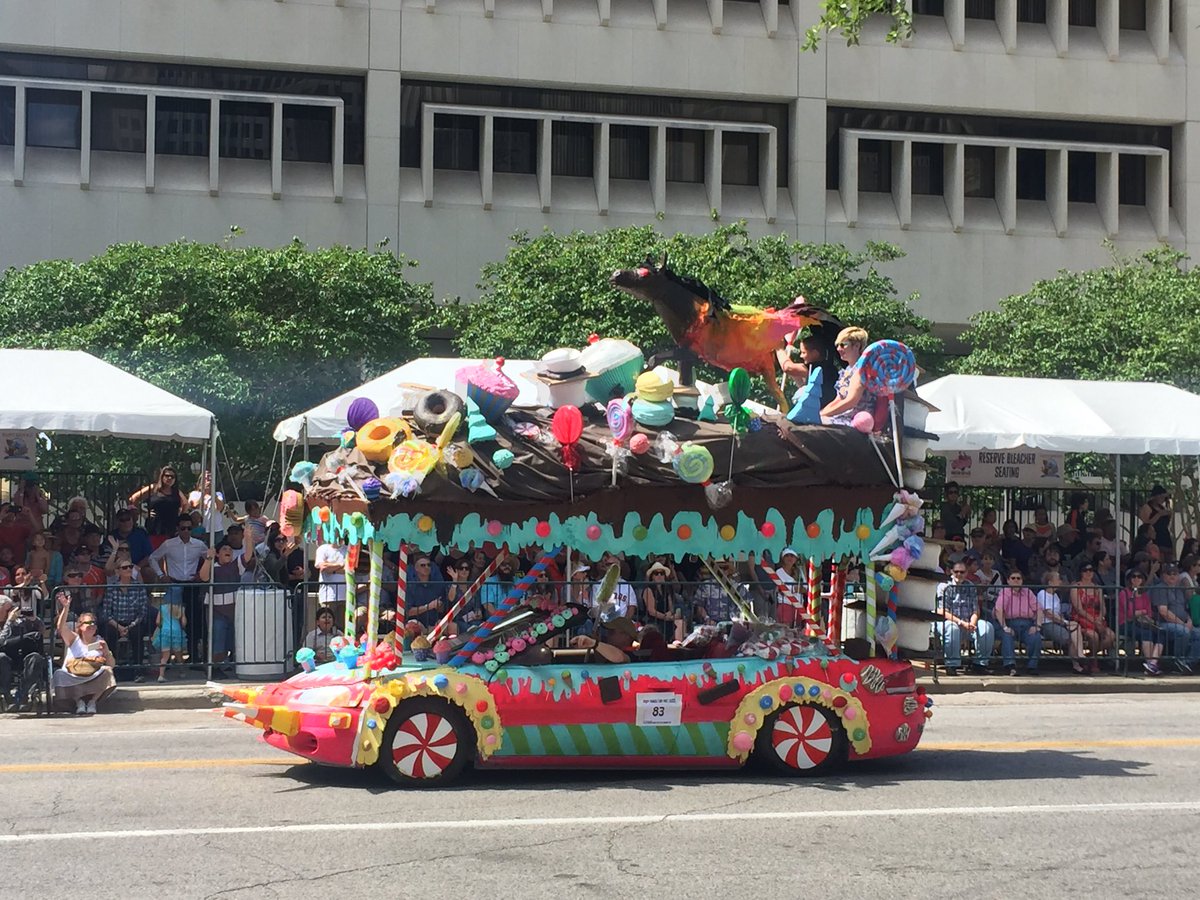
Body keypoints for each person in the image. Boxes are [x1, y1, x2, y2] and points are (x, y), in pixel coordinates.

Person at [52, 593, 116, 715]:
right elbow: (60, 627)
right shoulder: (73, 639)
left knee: (107, 670)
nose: (91, 625)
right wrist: (66, 608)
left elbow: (112, 664)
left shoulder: (99, 640)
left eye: (93, 623)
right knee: (59, 673)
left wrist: (106, 652)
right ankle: (79, 702)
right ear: (80, 626)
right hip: (73, 674)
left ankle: (92, 701)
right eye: (87, 623)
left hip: (92, 673)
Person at [937, 560, 995, 674]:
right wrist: (962, 623)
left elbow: (975, 609)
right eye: (956, 571)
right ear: (952, 572)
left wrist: (972, 623)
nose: (959, 574)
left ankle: (980, 664)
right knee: (951, 628)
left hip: (968, 621)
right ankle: (952, 665)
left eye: (962, 572)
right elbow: (942, 611)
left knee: (987, 627)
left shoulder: (970, 586)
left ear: (966, 573)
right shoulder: (944, 586)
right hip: (949, 621)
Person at [100, 557, 150, 682]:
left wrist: (130, 626)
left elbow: (143, 611)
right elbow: (106, 611)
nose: (128, 569)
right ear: (118, 571)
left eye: (130, 567)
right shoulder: (111, 587)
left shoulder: (139, 586)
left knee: (137, 634)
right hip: (115, 622)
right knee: (109, 634)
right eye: (124, 567)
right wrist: (119, 626)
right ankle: (111, 671)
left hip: (133, 622)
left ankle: (138, 671)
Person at [819, 326, 873, 426]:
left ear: (856, 346)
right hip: (842, 416)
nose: (839, 349)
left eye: (843, 345)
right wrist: (819, 413)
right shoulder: (847, 371)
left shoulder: (861, 369)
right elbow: (838, 400)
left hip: (855, 420)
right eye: (837, 345)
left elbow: (851, 402)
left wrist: (821, 415)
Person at [1152, 562, 1200, 673]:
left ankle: (1187, 663)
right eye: (1169, 573)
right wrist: (1182, 624)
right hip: (1163, 624)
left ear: (1178, 575)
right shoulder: (1160, 588)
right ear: (1164, 575)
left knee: (1198, 633)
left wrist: (1189, 620)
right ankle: (1178, 661)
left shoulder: (1180, 589)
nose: (1172, 576)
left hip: (1182, 622)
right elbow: (1163, 612)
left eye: (1175, 573)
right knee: (1183, 632)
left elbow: (1185, 609)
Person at [0, 594, 46, 710]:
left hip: (24, 655)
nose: (12, 611)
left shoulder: (20, 621)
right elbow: (1, 641)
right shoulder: (10, 622)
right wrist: (9, 622)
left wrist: (34, 619)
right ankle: (7, 696)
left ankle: (23, 694)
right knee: (1, 657)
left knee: (36, 658)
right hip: (7, 657)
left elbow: (42, 630)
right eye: (8, 609)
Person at [994, 570, 1043, 676]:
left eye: (1018, 578)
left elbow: (1039, 609)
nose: (1016, 581)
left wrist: (1037, 626)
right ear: (1008, 581)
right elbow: (999, 609)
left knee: (1036, 637)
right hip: (1010, 623)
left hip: (1027, 624)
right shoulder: (1004, 592)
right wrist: (1005, 626)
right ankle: (1010, 666)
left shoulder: (1028, 592)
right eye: (1013, 578)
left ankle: (1032, 666)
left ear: (1022, 581)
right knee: (1006, 636)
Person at [1071, 562, 1115, 674]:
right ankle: (1094, 661)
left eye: (1091, 570)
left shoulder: (1097, 588)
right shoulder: (1076, 587)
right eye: (1085, 570)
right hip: (1082, 618)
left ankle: (1090, 657)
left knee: (1111, 636)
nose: (1088, 573)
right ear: (1081, 573)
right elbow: (1079, 609)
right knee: (1093, 636)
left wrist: (1100, 617)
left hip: (1097, 618)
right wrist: (1094, 621)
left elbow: (1103, 607)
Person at [1036, 571, 1084, 673]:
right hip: (1047, 624)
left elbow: (1058, 613)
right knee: (1070, 637)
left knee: (1076, 626)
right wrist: (1064, 622)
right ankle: (1076, 662)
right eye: (1058, 579)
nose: (1060, 581)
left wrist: (1064, 621)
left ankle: (1079, 656)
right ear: (1050, 582)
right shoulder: (1042, 594)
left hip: (1058, 622)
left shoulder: (1056, 596)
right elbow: (1049, 613)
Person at [777, 333, 838, 409]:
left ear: (815, 353)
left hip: (823, 408)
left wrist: (779, 348)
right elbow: (802, 385)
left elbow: (788, 368)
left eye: (803, 353)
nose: (801, 356)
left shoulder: (818, 367)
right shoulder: (830, 367)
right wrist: (794, 374)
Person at [1118, 570, 1162, 676]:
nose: (1136, 579)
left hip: (1143, 623)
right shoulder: (1124, 593)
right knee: (1146, 634)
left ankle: (1152, 664)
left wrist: (1141, 613)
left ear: (1143, 580)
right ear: (1130, 580)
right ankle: (1149, 663)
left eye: (1139, 577)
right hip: (1126, 623)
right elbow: (1129, 613)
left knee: (1160, 634)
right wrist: (1142, 612)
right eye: (1134, 577)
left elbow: (1149, 613)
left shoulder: (1145, 595)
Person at [130, 467, 185, 549]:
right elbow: (133, 499)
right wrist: (144, 513)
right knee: (155, 553)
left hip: (171, 528)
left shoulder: (176, 492)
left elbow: (186, 504)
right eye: (167, 476)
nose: (169, 478)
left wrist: (180, 517)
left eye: (172, 477)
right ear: (162, 477)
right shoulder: (153, 488)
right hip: (155, 527)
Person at [150, 583, 187, 682]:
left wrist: (162, 626)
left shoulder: (163, 607)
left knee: (165, 656)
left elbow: (157, 621)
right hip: (177, 632)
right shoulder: (180, 608)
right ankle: (182, 672)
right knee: (178, 654)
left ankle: (161, 675)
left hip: (165, 632)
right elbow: (183, 622)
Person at [642, 562, 685, 641]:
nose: (659, 576)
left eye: (662, 573)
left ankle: (678, 646)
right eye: (656, 573)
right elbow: (651, 611)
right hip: (654, 620)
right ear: (652, 576)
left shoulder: (666, 589)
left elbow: (671, 608)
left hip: (666, 619)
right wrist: (665, 617)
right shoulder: (648, 590)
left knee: (680, 622)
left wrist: (669, 614)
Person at [569, 616, 639, 663]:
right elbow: (602, 660)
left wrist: (594, 643)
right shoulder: (608, 651)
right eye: (607, 631)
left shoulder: (632, 654)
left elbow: (619, 657)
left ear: (626, 636)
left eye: (611, 632)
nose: (608, 635)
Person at [407, 553, 449, 630]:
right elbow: (408, 612)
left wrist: (439, 606)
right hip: (417, 622)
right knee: (412, 626)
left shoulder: (436, 584)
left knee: (451, 626)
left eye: (428, 565)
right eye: (423, 565)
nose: (426, 567)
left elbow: (443, 609)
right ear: (416, 568)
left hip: (435, 621)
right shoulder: (411, 586)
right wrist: (428, 607)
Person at [1139, 485, 1175, 560]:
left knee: (1169, 555)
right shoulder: (1147, 507)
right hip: (1155, 534)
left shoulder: (1162, 507)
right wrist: (1159, 515)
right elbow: (1146, 523)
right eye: (1161, 497)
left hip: (1164, 534)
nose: (1163, 499)